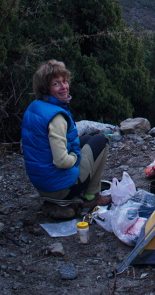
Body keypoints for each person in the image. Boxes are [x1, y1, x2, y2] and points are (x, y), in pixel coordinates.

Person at [21, 60, 110, 219]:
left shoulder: (35, 107)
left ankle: (59, 197)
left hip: (43, 184)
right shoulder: (56, 118)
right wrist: (76, 157)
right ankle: (91, 197)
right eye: (56, 84)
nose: (64, 87)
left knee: (88, 139)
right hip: (60, 188)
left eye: (64, 81)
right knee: (101, 141)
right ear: (46, 88)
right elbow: (61, 161)